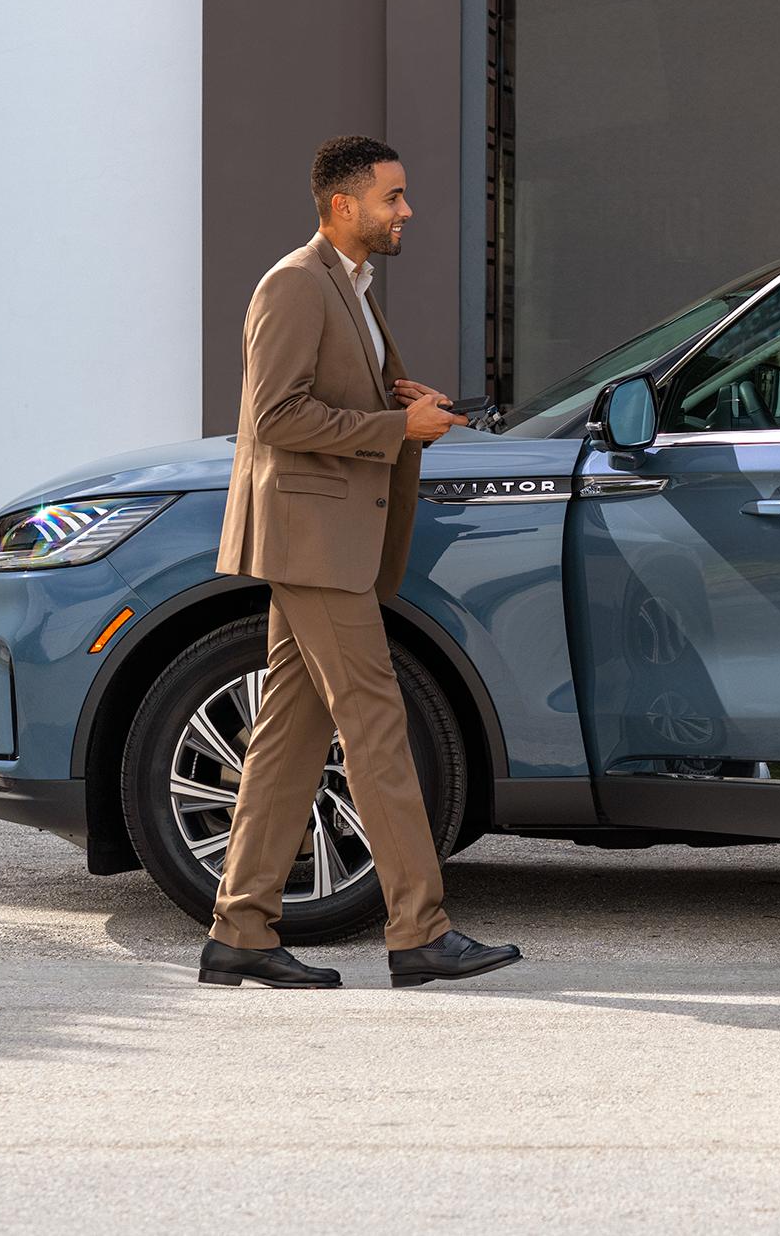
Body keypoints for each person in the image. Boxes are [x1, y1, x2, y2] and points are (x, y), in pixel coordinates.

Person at [201, 135, 521, 990]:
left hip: (330, 543)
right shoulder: (295, 285)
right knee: (377, 728)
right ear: (345, 206)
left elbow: (326, 400)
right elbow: (275, 418)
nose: (405, 211)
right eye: (393, 197)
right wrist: (392, 431)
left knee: (288, 737)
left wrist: (398, 401)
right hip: (314, 545)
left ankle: (239, 929)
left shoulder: (352, 288)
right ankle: (419, 930)